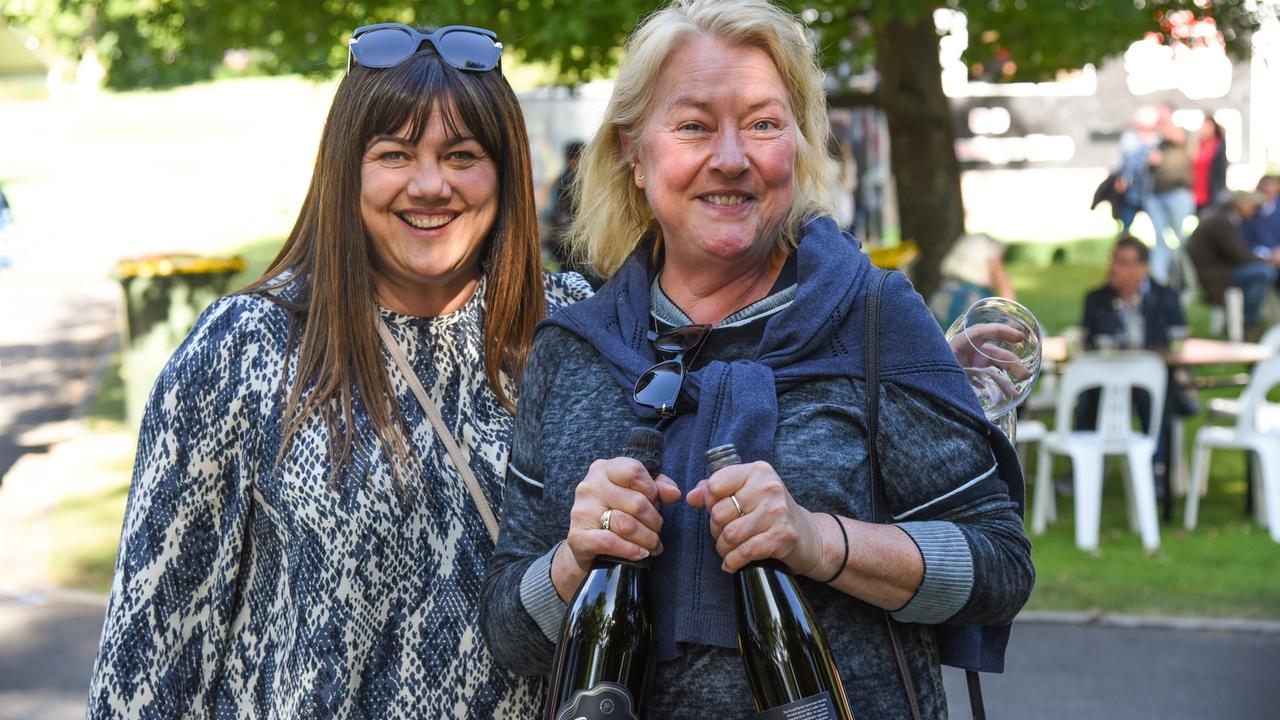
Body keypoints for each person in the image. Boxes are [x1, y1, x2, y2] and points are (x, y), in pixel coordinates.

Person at [478, 2, 1034, 717]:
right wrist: (571, 562)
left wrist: (821, 541)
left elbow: (1000, 566)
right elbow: (509, 637)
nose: (732, 158)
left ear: (798, 145)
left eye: (764, 124)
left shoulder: (874, 320)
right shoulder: (573, 349)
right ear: (633, 154)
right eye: (694, 126)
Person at [86, 23, 590, 718]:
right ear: (346, 170)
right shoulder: (244, 350)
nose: (430, 184)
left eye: (463, 154)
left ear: (505, 173)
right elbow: (146, 667)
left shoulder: (571, 336)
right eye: (395, 153)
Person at [1077, 236, 1197, 464]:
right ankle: (1083, 464)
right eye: (1113, 259)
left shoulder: (1165, 298)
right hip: (1107, 376)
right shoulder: (1097, 299)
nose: (1113, 267)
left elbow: (1178, 340)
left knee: (1154, 394)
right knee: (1088, 393)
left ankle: (1158, 466)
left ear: (1143, 268)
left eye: (1123, 262)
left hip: (1153, 375)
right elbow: (1088, 343)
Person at [1187, 189, 1278, 340]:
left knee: (1263, 272)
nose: (1254, 210)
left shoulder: (1223, 218)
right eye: (1252, 205)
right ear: (1240, 205)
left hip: (1218, 273)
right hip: (1214, 278)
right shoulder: (1221, 221)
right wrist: (1269, 261)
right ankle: (1249, 325)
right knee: (1262, 273)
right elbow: (1239, 255)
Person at [1145, 110, 1194, 285]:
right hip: (1157, 194)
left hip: (1177, 193)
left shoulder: (1182, 136)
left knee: (1181, 238)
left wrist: (1162, 127)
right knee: (1159, 238)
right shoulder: (1159, 144)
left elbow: (1178, 136)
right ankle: (1159, 280)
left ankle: (1187, 279)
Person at [928, 231, 1015, 328]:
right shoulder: (969, 295)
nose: (1000, 266)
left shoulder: (950, 287)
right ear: (980, 261)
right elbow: (997, 336)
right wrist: (1007, 297)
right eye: (998, 260)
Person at [1192, 116, 1228, 216]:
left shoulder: (1218, 146)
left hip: (1212, 193)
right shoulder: (1197, 145)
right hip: (1197, 193)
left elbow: (1220, 172)